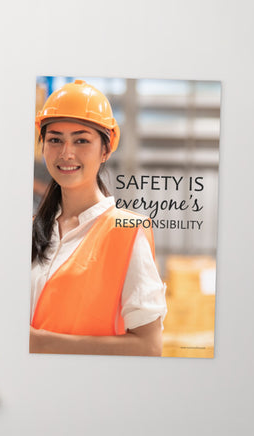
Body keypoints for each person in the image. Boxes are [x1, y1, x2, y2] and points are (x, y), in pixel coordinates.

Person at [30, 79, 167, 356]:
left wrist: (42, 343)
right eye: (55, 139)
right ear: (43, 145)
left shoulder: (126, 231)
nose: (66, 153)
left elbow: (149, 347)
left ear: (105, 150)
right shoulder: (32, 229)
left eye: (81, 140)